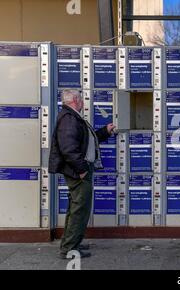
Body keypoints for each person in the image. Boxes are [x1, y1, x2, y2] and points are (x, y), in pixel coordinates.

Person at [49, 89, 116, 259]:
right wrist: (81, 169)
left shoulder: (71, 117)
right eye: (80, 99)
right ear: (74, 100)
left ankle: (71, 244)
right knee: (80, 210)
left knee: (75, 208)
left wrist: (105, 131)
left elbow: (87, 140)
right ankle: (70, 248)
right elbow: (68, 149)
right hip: (78, 172)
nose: (83, 103)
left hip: (78, 170)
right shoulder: (69, 118)